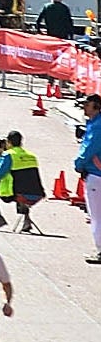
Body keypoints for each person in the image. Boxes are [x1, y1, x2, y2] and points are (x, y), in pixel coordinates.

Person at [75, 92, 101, 264]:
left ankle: (100, 250)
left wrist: (78, 164)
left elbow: (89, 148)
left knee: (97, 215)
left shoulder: (97, 126)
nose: (84, 107)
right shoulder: (93, 124)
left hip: (96, 175)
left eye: (87, 105)